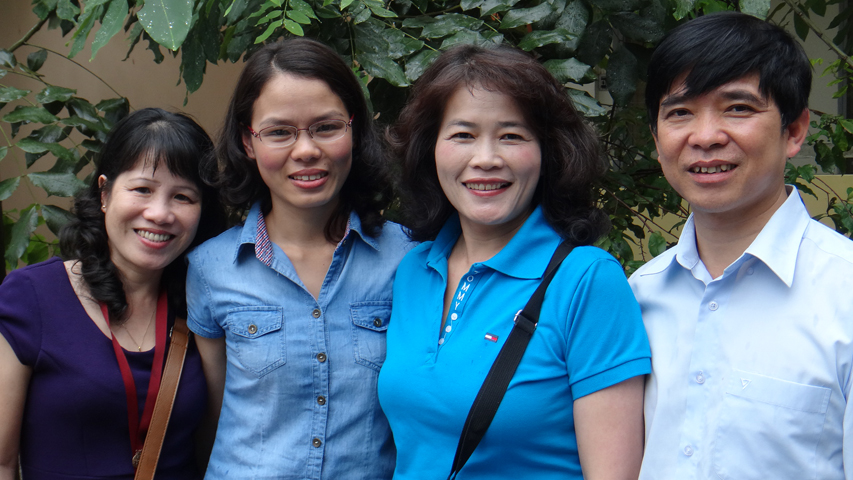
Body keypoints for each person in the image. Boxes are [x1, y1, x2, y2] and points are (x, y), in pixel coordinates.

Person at [378, 44, 651, 479]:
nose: (486, 159)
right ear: (430, 150)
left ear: (548, 153)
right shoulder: (414, 270)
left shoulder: (586, 281)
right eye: (462, 135)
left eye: (511, 135)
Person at [631, 12, 853, 479]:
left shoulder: (845, 292)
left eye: (738, 108)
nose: (705, 137)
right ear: (656, 139)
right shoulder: (638, 296)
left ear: (794, 132)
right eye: (679, 113)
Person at [188, 37, 413, 479]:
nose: (306, 150)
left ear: (353, 129)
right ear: (248, 143)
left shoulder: (409, 258)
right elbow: (212, 416)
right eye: (279, 132)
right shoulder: (211, 268)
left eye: (326, 127)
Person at [0, 107, 225, 479]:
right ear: (104, 193)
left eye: (183, 196)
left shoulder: (205, 304)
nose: (159, 213)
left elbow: (213, 451)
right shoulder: (31, 298)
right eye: (142, 189)